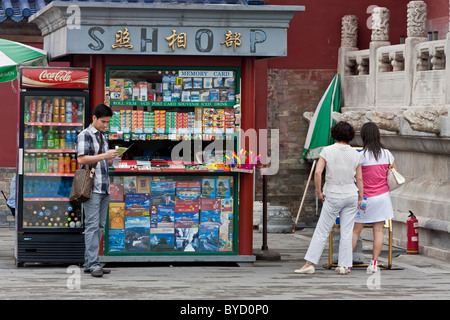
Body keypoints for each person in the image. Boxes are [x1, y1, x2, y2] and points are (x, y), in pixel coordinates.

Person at [295, 121, 363, 275]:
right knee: (347, 231)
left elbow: (318, 173)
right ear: (350, 135)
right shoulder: (355, 154)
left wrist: (319, 191)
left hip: (332, 194)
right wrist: (361, 196)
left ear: (334, 134)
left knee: (322, 230)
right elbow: (359, 178)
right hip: (351, 194)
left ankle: (310, 263)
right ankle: (344, 265)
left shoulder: (327, 151)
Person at [76, 104, 119, 277]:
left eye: (108, 122)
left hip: (104, 186)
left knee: (100, 226)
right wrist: (104, 156)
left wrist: (112, 158)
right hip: (92, 188)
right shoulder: (84, 135)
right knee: (92, 226)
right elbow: (82, 159)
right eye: (103, 122)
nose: (105, 125)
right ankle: (93, 264)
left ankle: (90, 262)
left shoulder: (102, 136)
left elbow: (103, 162)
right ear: (93, 118)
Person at [352, 122, 395, 274]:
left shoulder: (360, 156)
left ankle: (346, 263)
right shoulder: (387, 154)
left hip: (364, 199)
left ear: (363, 136)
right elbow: (394, 173)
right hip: (383, 197)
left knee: (356, 230)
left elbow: (356, 178)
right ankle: (374, 263)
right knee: (378, 230)